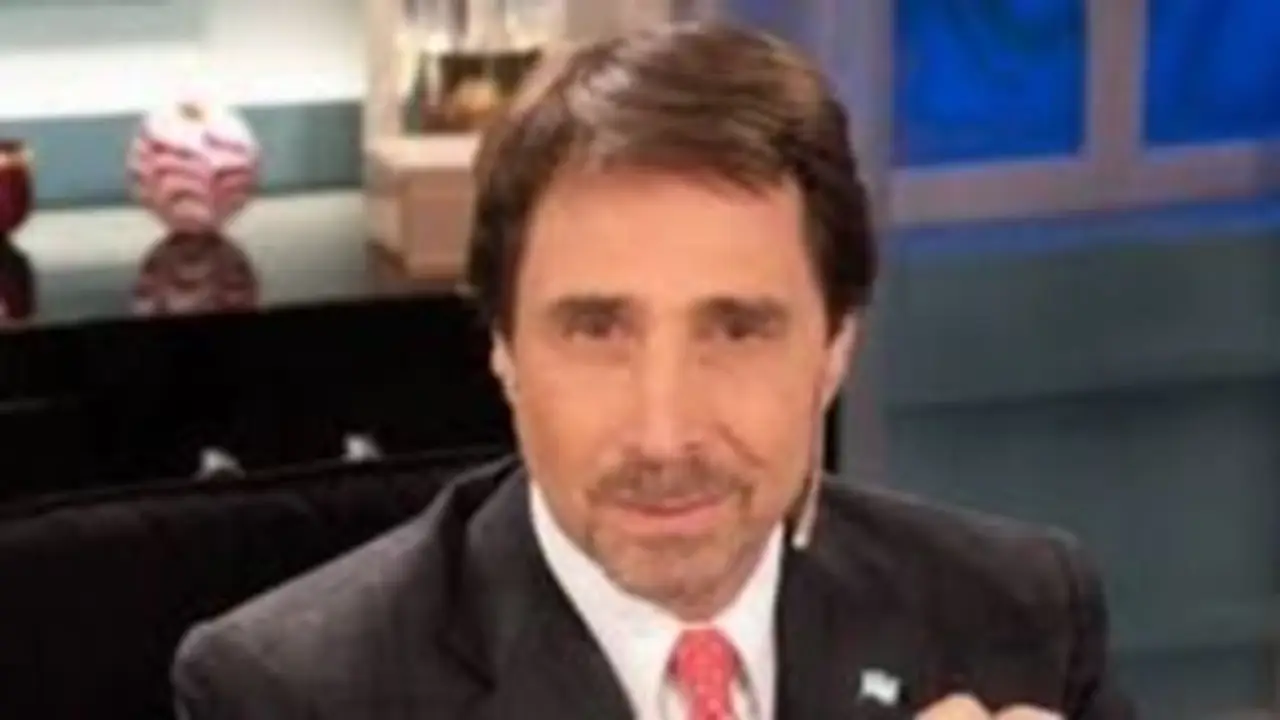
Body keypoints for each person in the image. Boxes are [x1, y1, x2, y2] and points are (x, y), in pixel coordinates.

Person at [171, 21, 1135, 720]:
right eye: (596, 331)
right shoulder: (293, 695)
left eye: (738, 330)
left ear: (836, 346)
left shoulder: (1019, 614)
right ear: (502, 346)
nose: (664, 434)